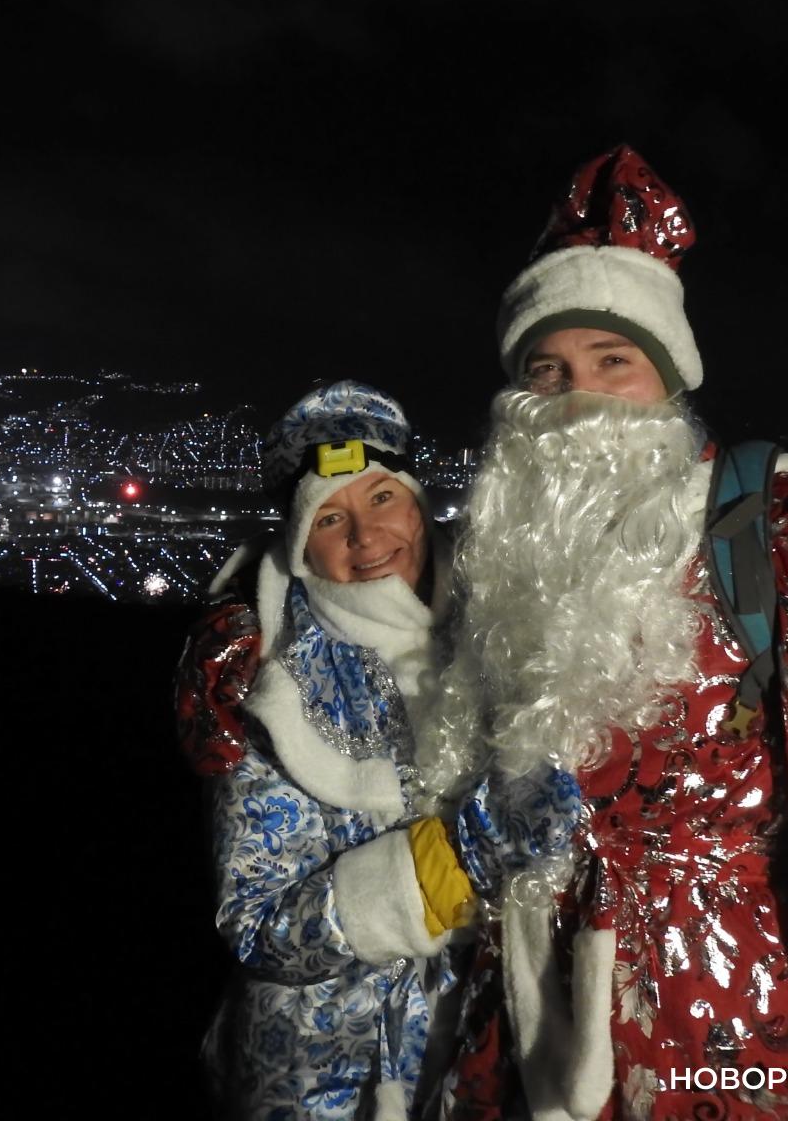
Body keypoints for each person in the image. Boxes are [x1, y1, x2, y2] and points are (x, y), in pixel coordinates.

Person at [420, 146, 788, 1121]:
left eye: (612, 362)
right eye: (547, 369)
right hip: (522, 1037)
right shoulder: (506, 567)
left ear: (667, 376)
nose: (578, 398)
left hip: (720, 1043)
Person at [173, 381, 486, 1121]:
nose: (366, 538)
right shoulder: (267, 684)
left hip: (474, 1052)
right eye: (331, 518)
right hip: (323, 1070)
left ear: (418, 503)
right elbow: (253, 919)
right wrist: (433, 877)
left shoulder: (498, 635)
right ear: (300, 543)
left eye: (383, 500)